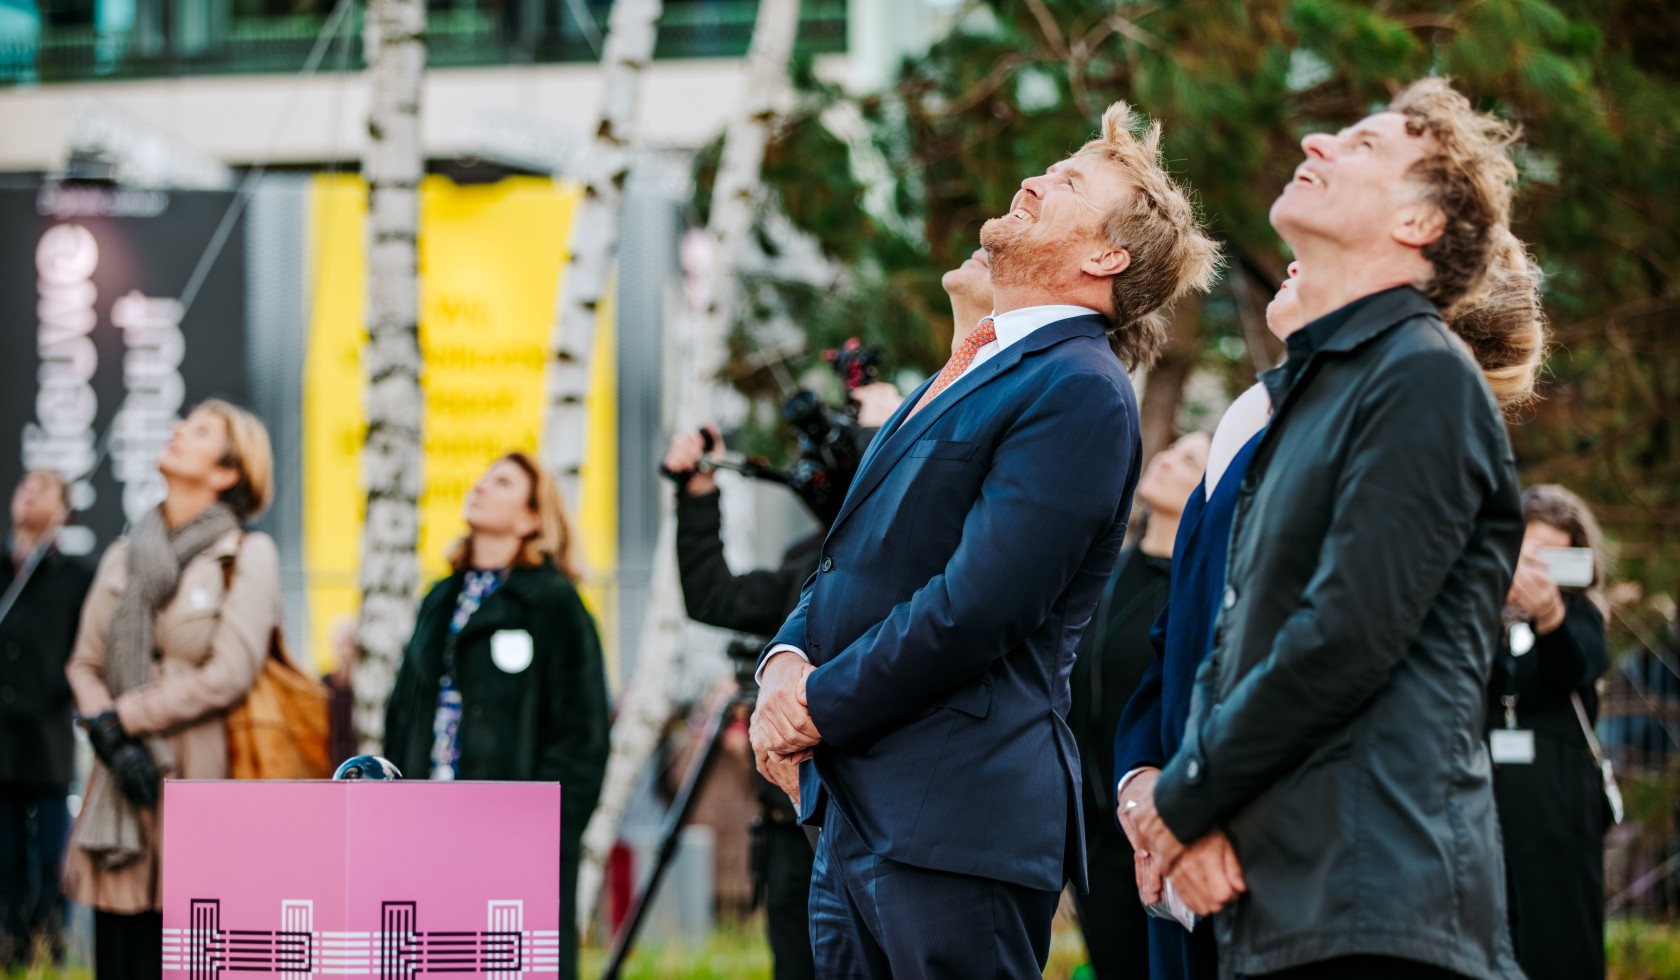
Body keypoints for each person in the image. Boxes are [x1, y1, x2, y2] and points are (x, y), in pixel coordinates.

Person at [750, 100, 1219, 977]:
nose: (1036, 178)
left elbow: (979, 607)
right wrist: (782, 663)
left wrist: (814, 707)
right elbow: (854, 560)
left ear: (1104, 256)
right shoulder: (970, 366)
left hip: (954, 825)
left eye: (1071, 181)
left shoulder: (1080, 388)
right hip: (856, 814)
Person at [1127, 78, 1541, 980]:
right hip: (1284, 903)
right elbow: (1233, 641)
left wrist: (1184, 797)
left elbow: (1345, 636)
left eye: (1363, 147)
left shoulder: (1422, 376)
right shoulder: (1312, 397)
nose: (1317, 142)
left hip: (1375, 909)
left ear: (1419, 226)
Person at [63, 400, 280, 980]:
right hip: (121, 779)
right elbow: (84, 664)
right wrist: (113, 743)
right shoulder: (120, 556)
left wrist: (124, 718)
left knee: (190, 954)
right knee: (120, 954)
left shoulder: (248, 555)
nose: (179, 430)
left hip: (200, 780)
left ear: (227, 473)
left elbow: (229, 672)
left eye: (202, 430)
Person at [382, 451, 609, 980]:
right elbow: (403, 717)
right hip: (424, 827)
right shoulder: (438, 599)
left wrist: (538, 832)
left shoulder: (556, 605)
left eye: (502, 483)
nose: (480, 485)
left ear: (531, 518)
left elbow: (584, 740)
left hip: (511, 842)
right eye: (482, 477)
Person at [1071, 431, 1207, 979]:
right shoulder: (1101, 573)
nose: (1168, 458)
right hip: (1092, 834)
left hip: (1160, 827)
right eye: (1172, 448)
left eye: (1191, 459)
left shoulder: (1193, 592)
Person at [1487, 484, 1610, 980]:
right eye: (1528, 554)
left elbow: (1577, 667)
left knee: (1559, 936)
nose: (1537, 571)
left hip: (1558, 808)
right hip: (1488, 802)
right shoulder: (1475, 615)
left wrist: (1550, 615)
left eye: (1551, 560)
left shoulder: (1579, 615)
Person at [0, 471, 93, 967]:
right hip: (3, 735)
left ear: (62, 510)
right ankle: (11, 944)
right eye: (23, 486)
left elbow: (86, 646)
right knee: (6, 850)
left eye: (43, 488)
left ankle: (55, 944)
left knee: (54, 848)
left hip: (49, 733)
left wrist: (59, 692)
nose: (28, 492)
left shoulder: (76, 576)